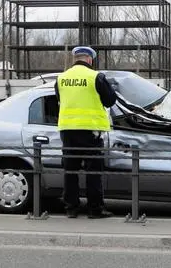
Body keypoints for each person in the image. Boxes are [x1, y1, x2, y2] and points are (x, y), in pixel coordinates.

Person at [54, 46, 117, 219]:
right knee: (93, 171)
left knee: (70, 170)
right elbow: (111, 100)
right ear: (90, 60)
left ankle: (71, 208)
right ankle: (95, 209)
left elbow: (59, 99)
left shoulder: (61, 78)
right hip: (91, 131)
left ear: (75, 59)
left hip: (68, 131)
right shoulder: (95, 77)